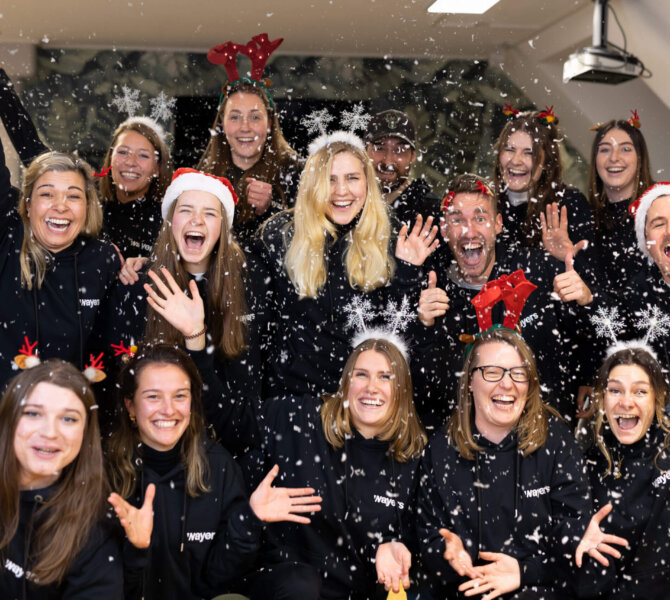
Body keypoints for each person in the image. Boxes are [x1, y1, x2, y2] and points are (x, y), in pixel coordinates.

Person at [106, 343, 321, 600]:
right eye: (153, 397)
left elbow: (221, 578)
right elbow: (101, 586)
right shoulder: (104, 472)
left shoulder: (218, 466)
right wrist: (137, 550)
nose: (168, 409)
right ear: (130, 405)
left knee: (298, 583)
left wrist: (249, 519)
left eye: (180, 396)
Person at [252, 134, 438, 398]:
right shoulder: (278, 236)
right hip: (293, 400)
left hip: (363, 400)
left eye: (352, 178)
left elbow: (398, 336)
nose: (341, 191)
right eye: (329, 179)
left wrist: (407, 274)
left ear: (367, 182)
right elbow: (255, 331)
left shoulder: (393, 238)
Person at [245, 337, 427, 600]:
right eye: (361, 375)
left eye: (385, 377)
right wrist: (196, 337)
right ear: (346, 383)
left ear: (402, 391)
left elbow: (417, 547)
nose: (372, 387)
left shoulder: (415, 459)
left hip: (361, 592)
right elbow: (231, 421)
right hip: (290, 587)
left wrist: (389, 548)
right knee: (300, 585)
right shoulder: (302, 419)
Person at [417, 328, 591, 599]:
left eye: (518, 373)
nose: (507, 384)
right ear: (470, 381)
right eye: (492, 372)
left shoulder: (556, 441)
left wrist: (525, 572)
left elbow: (576, 542)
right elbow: (428, 538)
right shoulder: (441, 449)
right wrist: (446, 554)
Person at [101, 168, 260, 446]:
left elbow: (238, 421)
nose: (196, 220)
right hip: (147, 450)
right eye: (186, 210)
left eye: (210, 213)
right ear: (170, 221)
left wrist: (195, 336)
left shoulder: (248, 290)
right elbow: (119, 392)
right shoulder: (135, 288)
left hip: (219, 452)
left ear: (223, 227)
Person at [415, 173, 588, 427]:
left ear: (497, 224)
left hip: (543, 435)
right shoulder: (433, 292)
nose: (469, 230)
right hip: (467, 441)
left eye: (480, 218)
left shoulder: (537, 269)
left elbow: (595, 337)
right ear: (444, 229)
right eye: (457, 220)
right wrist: (424, 328)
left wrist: (587, 300)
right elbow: (426, 393)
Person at [0, 360, 123, 598]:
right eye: (33, 413)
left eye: (68, 419)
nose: (49, 432)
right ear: (9, 419)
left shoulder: (95, 535)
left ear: (85, 433)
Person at [0, 148, 120, 390]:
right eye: (47, 194)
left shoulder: (102, 259)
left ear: (87, 206)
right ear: (28, 203)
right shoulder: (7, 237)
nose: (60, 206)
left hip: (67, 407)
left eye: (73, 196)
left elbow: (108, 353)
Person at [574, 346, 670, 598]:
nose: (626, 402)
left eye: (640, 391)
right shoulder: (586, 463)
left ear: (657, 398)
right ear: (602, 398)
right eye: (615, 390)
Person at [197, 77, 302, 246]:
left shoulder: (298, 173)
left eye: (255, 117)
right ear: (222, 124)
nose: (245, 127)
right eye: (235, 117)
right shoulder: (202, 178)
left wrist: (272, 208)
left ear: (269, 124)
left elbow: (308, 237)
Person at [492, 108, 594, 253]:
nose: (515, 161)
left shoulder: (569, 204)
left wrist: (565, 258)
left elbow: (588, 266)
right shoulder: (483, 199)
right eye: (509, 149)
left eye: (529, 153)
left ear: (547, 162)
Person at [97, 116, 173, 257]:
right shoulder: (90, 210)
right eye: (123, 152)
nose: (131, 162)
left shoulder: (168, 220)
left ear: (157, 168)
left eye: (143, 155)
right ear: (110, 159)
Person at [365, 109, 440, 226]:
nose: (388, 162)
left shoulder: (431, 212)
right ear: (365, 152)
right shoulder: (347, 206)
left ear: (413, 156)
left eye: (399, 150)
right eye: (379, 148)